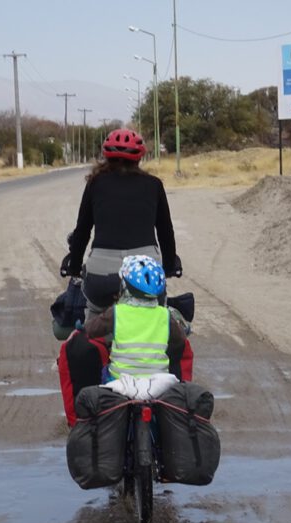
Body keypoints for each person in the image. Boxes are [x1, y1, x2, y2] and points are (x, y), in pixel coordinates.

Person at [61, 129, 181, 322]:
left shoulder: (95, 184)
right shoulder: (154, 185)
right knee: (158, 315)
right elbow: (166, 232)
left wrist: (74, 267)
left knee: (93, 317)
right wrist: (168, 266)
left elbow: (82, 231)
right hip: (145, 271)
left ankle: (91, 343)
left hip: (102, 275)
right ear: (139, 158)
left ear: (106, 157)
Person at [84, 254, 188, 382]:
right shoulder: (165, 315)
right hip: (158, 381)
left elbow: (89, 330)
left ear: (125, 286)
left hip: (119, 379)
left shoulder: (117, 312)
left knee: (100, 372)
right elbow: (179, 342)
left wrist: (80, 329)